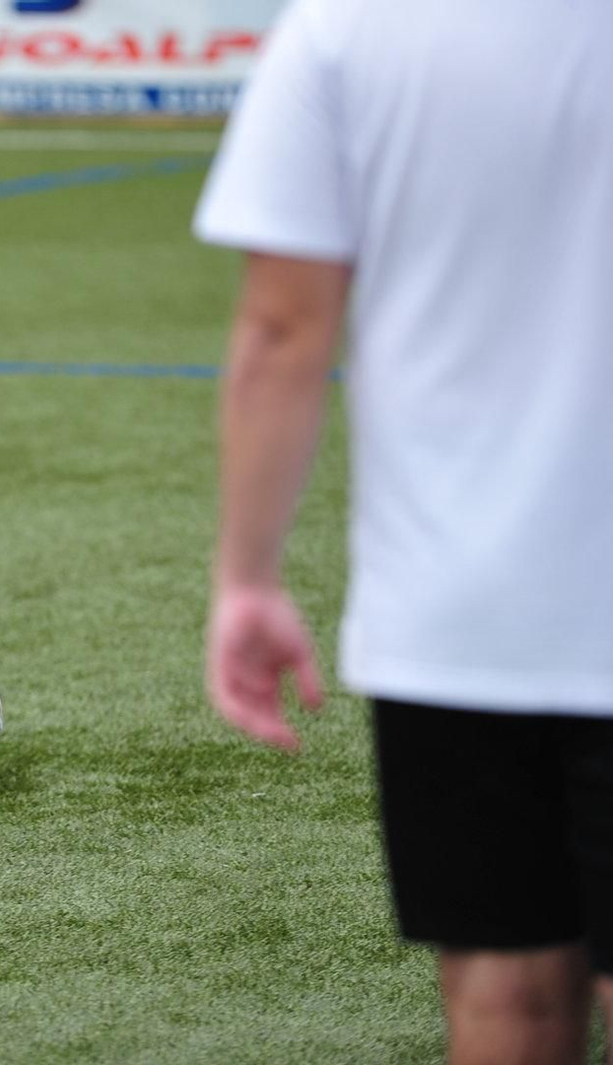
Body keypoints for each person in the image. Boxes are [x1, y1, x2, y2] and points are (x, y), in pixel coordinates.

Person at [195, 1, 613, 1061]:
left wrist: (247, 577)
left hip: (456, 605)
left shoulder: (346, 29)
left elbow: (283, 331)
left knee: (503, 997)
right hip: (462, 612)